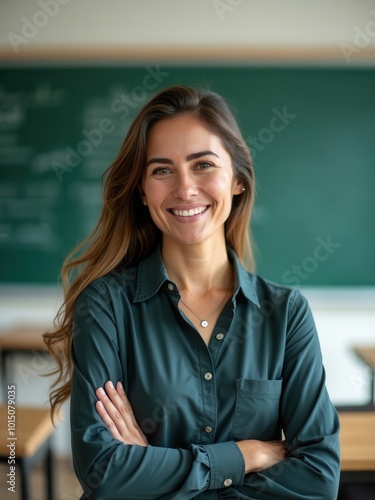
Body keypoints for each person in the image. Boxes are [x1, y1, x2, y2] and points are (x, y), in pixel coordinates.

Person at [44, 85, 340, 499]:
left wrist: (156, 472)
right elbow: (102, 471)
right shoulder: (107, 306)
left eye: (203, 165)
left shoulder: (286, 314)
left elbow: (319, 478)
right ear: (143, 193)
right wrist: (243, 456)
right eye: (162, 170)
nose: (184, 189)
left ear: (237, 180)